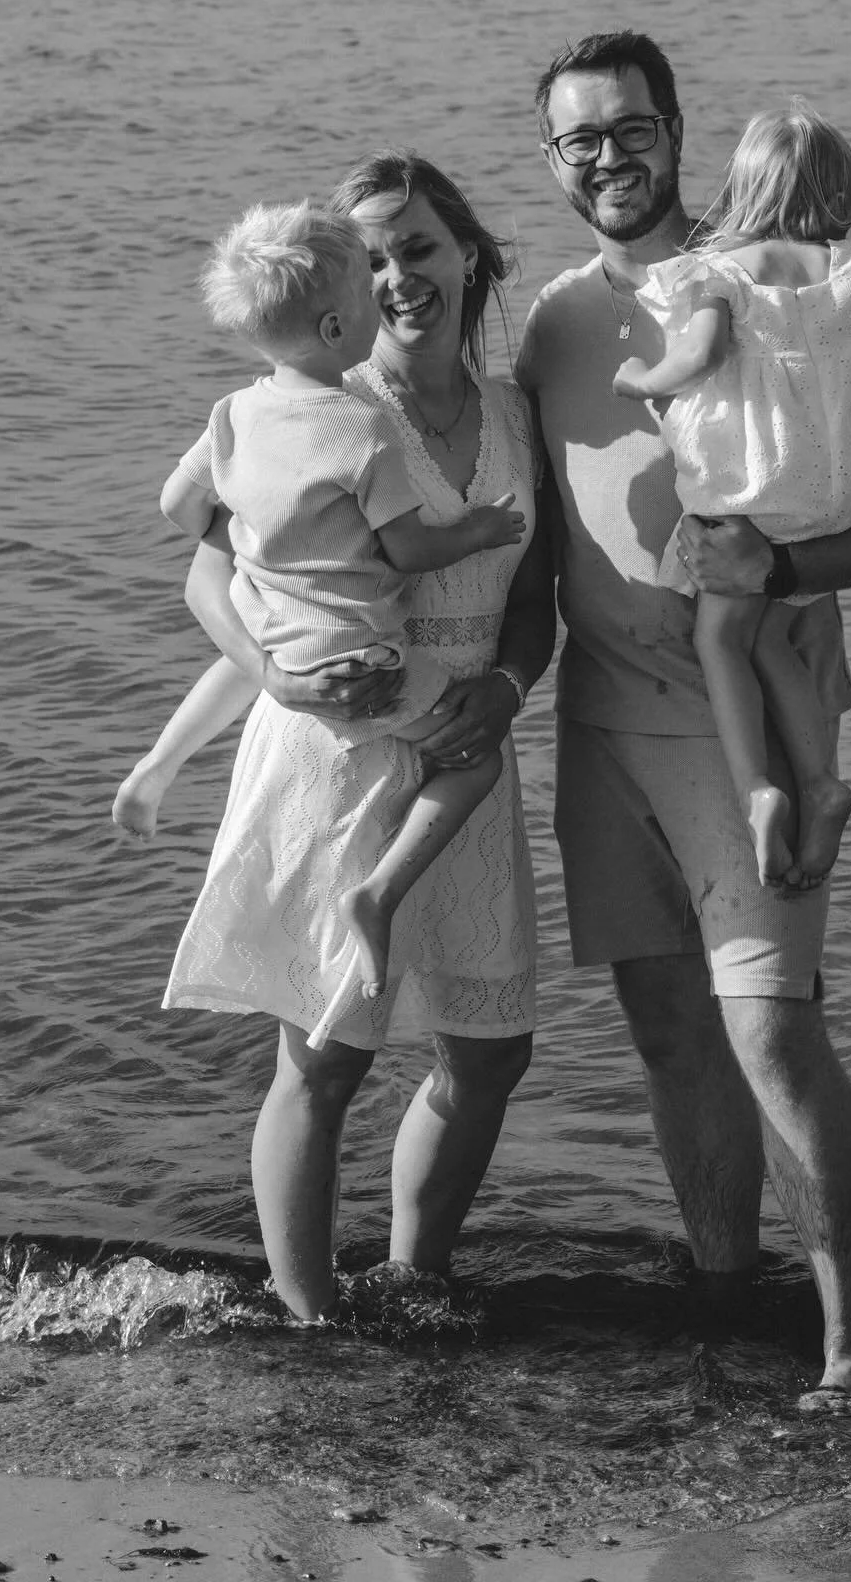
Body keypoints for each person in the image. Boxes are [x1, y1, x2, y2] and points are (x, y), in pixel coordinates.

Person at [518, 30, 851, 1407]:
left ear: (678, 131)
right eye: (579, 138)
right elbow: (540, 548)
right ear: (555, 160)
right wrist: (469, 693)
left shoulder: (785, 290)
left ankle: (849, 1347)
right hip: (602, 722)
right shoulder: (554, 323)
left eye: (629, 129)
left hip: (752, 717)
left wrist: (784, 568)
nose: (608, 157)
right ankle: (721, 1304)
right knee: (666, 1032)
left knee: (772, 1031)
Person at [157, 153, 554, 1323]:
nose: (398, 278)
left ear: (468, 252)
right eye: (373, 258)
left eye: (418, 248)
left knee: (488, 1050)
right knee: (324, 1054)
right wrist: (268, 665)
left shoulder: (515, 414)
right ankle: (308, 1314)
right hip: (335, 746)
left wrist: (514, 686)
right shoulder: (320, 404)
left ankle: (415, 1280)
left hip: (467, 733)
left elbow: (536, 590)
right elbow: (204, 574)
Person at [148, 199, 524, 1025]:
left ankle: (157, 768)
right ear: (332, 327)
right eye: (366, 288)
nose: (384, 296)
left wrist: (251, 539)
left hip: (287, 639)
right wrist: (481, 528)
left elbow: (177, 503)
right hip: (370, 665)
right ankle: (379, 895)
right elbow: (407, 552)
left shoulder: (235, 413)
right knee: (477, 763)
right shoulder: (358, 427)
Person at [612, 98, 851, 894]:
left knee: (722, 639)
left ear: (744, 191)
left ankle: (760, 790)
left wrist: (641, 378)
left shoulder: (722, 271)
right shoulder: (849, 274)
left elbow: (699, 355)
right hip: (833, 495)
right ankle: (824, 781)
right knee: (774, 633)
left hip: (750, 490)